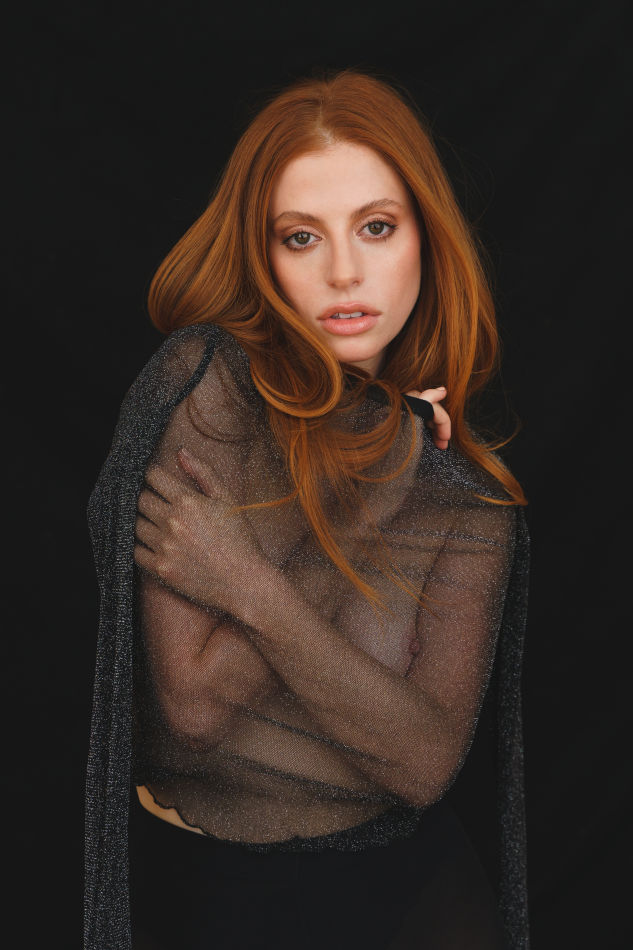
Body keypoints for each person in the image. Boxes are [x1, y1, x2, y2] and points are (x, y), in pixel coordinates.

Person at [84, 68, 530, 950]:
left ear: (426, 238)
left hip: (409, 907)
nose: (342, 271)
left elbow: (422, 764)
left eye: (376, 227)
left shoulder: (469, 499)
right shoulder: (207, 389)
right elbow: (195, 709)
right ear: (264, 256)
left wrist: (246, 580)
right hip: (201, 900)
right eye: (300, 237)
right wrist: (377, 494)